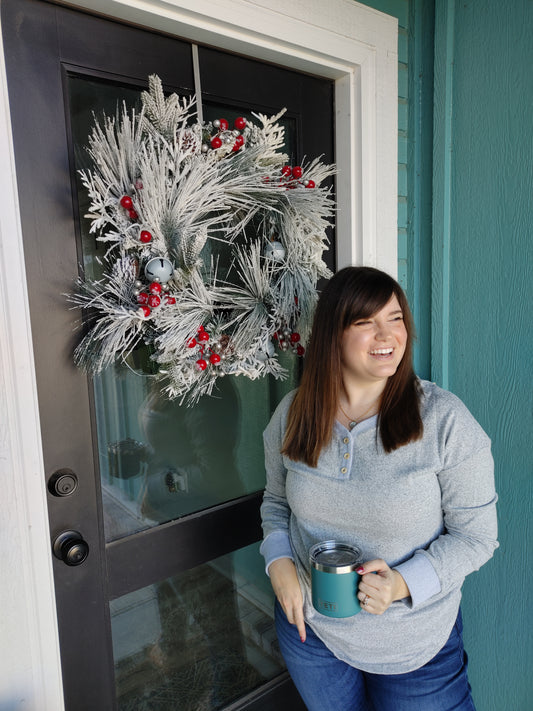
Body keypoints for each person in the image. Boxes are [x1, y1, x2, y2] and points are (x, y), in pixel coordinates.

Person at [260, 266, 498, 711]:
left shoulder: (444, 421)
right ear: (333, 335)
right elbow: (276, 502)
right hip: (312, 634)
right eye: (365, 322)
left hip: (415, 648)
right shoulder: (294, 415)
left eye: (394, 318)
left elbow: (477, 537)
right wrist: (278, 564)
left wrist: (402, 584)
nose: (387, 334)